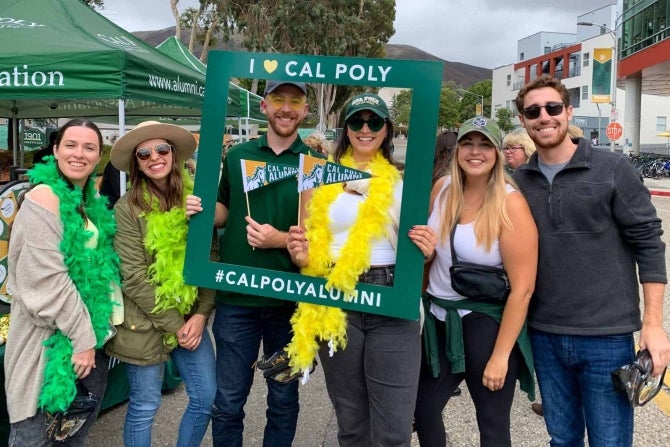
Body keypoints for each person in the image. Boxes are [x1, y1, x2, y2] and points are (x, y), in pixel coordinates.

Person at [513, 74, 670, 446]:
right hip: (544, 334)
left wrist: (653, 324)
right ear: (523, 120)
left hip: (606, 337)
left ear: (568, 112)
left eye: (553, 108)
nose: (544, 117)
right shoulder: (518, 182)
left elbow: (649, 242)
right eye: (533, 111)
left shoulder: (612, 170)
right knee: (562, 440)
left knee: (610, 442)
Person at [286, 93, 436, 446]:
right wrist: (299, 254)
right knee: (352, 425)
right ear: (345, 129)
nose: (365, 129)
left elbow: (419, 251)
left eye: (374, 122)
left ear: (386, 130)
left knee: (394, 431)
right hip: (336, 300)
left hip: (391, 298)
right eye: (356, 121)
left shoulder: (406, 184)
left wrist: (427, 253)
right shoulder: (319, 177)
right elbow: (306, 250)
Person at [185, 80, 321, 447]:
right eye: (279, 99)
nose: (287, 108)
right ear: (264, 106)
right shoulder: (237, 155)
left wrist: (278, 238)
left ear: (306, 110)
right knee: (228, 402)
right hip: (236, 301)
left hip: (290, 302)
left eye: (296, 101)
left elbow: (322, 237)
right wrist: (195, 210)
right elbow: (223, 210)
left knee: (283, 400)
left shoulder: (316, 164)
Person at [414, 116, 538, 447]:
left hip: (485, 326)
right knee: (423, 411)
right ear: (457, 150)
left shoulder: (511, 203)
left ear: (497, 153)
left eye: (485, 144)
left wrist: (500, 355)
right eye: (468, 143)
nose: (475, 151)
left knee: (493, 426)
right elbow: (428, 256)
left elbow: (523, 289)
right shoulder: (441, 190)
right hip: (440, 324)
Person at [5, 119, 120, 446]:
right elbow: (48, 281)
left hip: (89, 339)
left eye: (89, 148)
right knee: (35, 436)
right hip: (48, 345)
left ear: (98, 156)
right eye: (71, 145)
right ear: (55, 150)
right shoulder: (44, 197)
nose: (79, 154)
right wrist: (83, 340)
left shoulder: (89, 201)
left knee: (71, 436)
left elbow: (97, 269)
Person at [105, 121, 216, 446]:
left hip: (190, 317)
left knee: (205, 397)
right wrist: (175, 324)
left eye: (162, 149)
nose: (154, 157)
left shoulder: (196, 200)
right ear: (137, 163)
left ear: (173, 153)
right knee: (144, 406)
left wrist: (200, 314)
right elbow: (134, 277)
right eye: (144, 153)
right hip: (143, 324)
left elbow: (209, 257)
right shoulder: (126, 208)